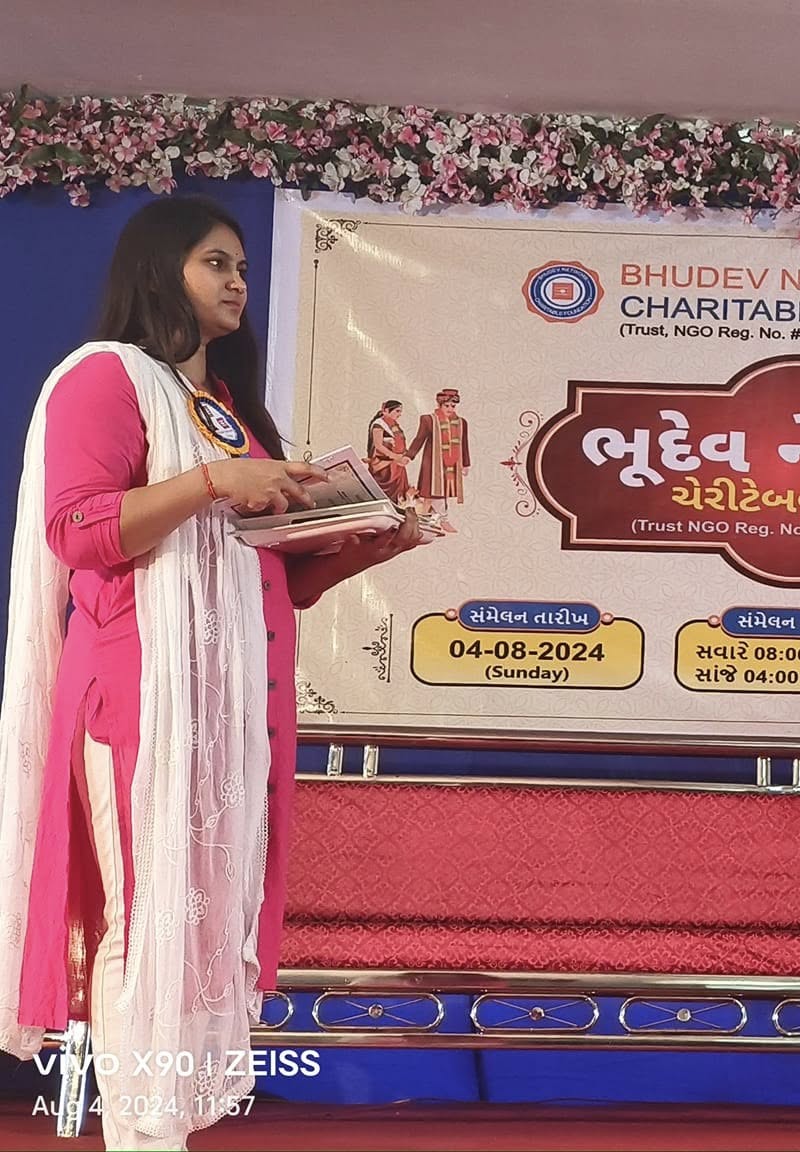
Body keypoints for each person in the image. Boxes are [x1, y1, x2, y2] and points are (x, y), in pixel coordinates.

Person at [0, 196, 426, 1149]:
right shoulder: (105, 377)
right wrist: (209, 482)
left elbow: (273, 579)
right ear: (162, 269)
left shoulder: (228, 410)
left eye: (241, 266)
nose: (238, 282)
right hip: (138, 699)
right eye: (216, 263)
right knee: (147, 918)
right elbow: (77, 529)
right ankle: (143, 1137)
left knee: (201, 926)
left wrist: (370, 543)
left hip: (229, 710)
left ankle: (165, 1130)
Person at [409, 387, 468, 530]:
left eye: (453, 406)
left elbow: (464, 444)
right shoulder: (429, 420)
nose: (450, 409)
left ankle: (427, 521)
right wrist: (409, 456)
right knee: (431, 492)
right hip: (432, 463)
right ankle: (441, 519)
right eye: (446, 406)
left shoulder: (461, 422)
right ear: (439, 405)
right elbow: (419, 439)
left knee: (440, 493)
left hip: (451, 464)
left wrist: (465, 464)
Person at [367, 399, 411, 502]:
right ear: (386, 411)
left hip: (398, 465)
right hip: (385, 466)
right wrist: (395, 457)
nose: (400, 414)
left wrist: (405, 455)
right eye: (397, 411)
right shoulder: (378, 425)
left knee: (400, 496)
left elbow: (400, 441)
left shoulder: (394, 424)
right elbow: (378, 445)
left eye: (400, 411)